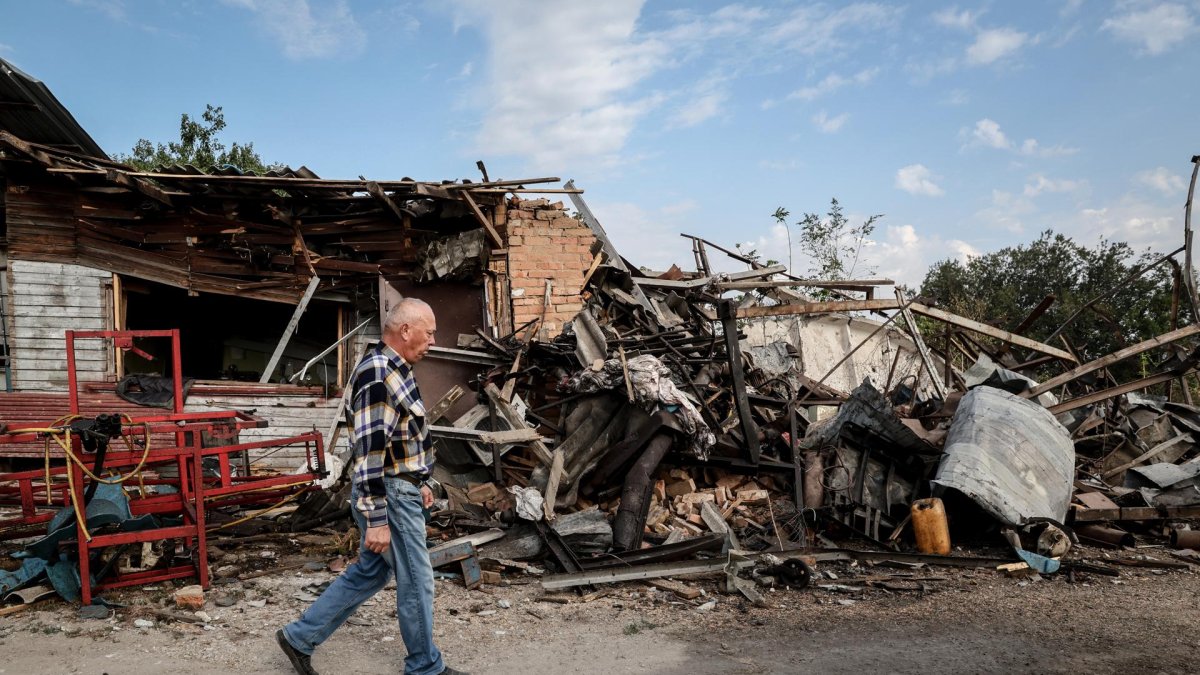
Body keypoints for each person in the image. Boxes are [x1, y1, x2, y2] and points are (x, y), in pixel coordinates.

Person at [277, 298, 467, 675]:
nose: (433, 340)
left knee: (372, 571)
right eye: (429, 333)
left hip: (401, 487)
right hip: (389, 496)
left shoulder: (397, 369)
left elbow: (402, 438)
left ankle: (299, 637)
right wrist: (377, 518)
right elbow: (369, 453)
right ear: (405, 330)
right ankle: (425, 667)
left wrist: (422, 479)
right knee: (416, 579)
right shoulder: (378, 374)